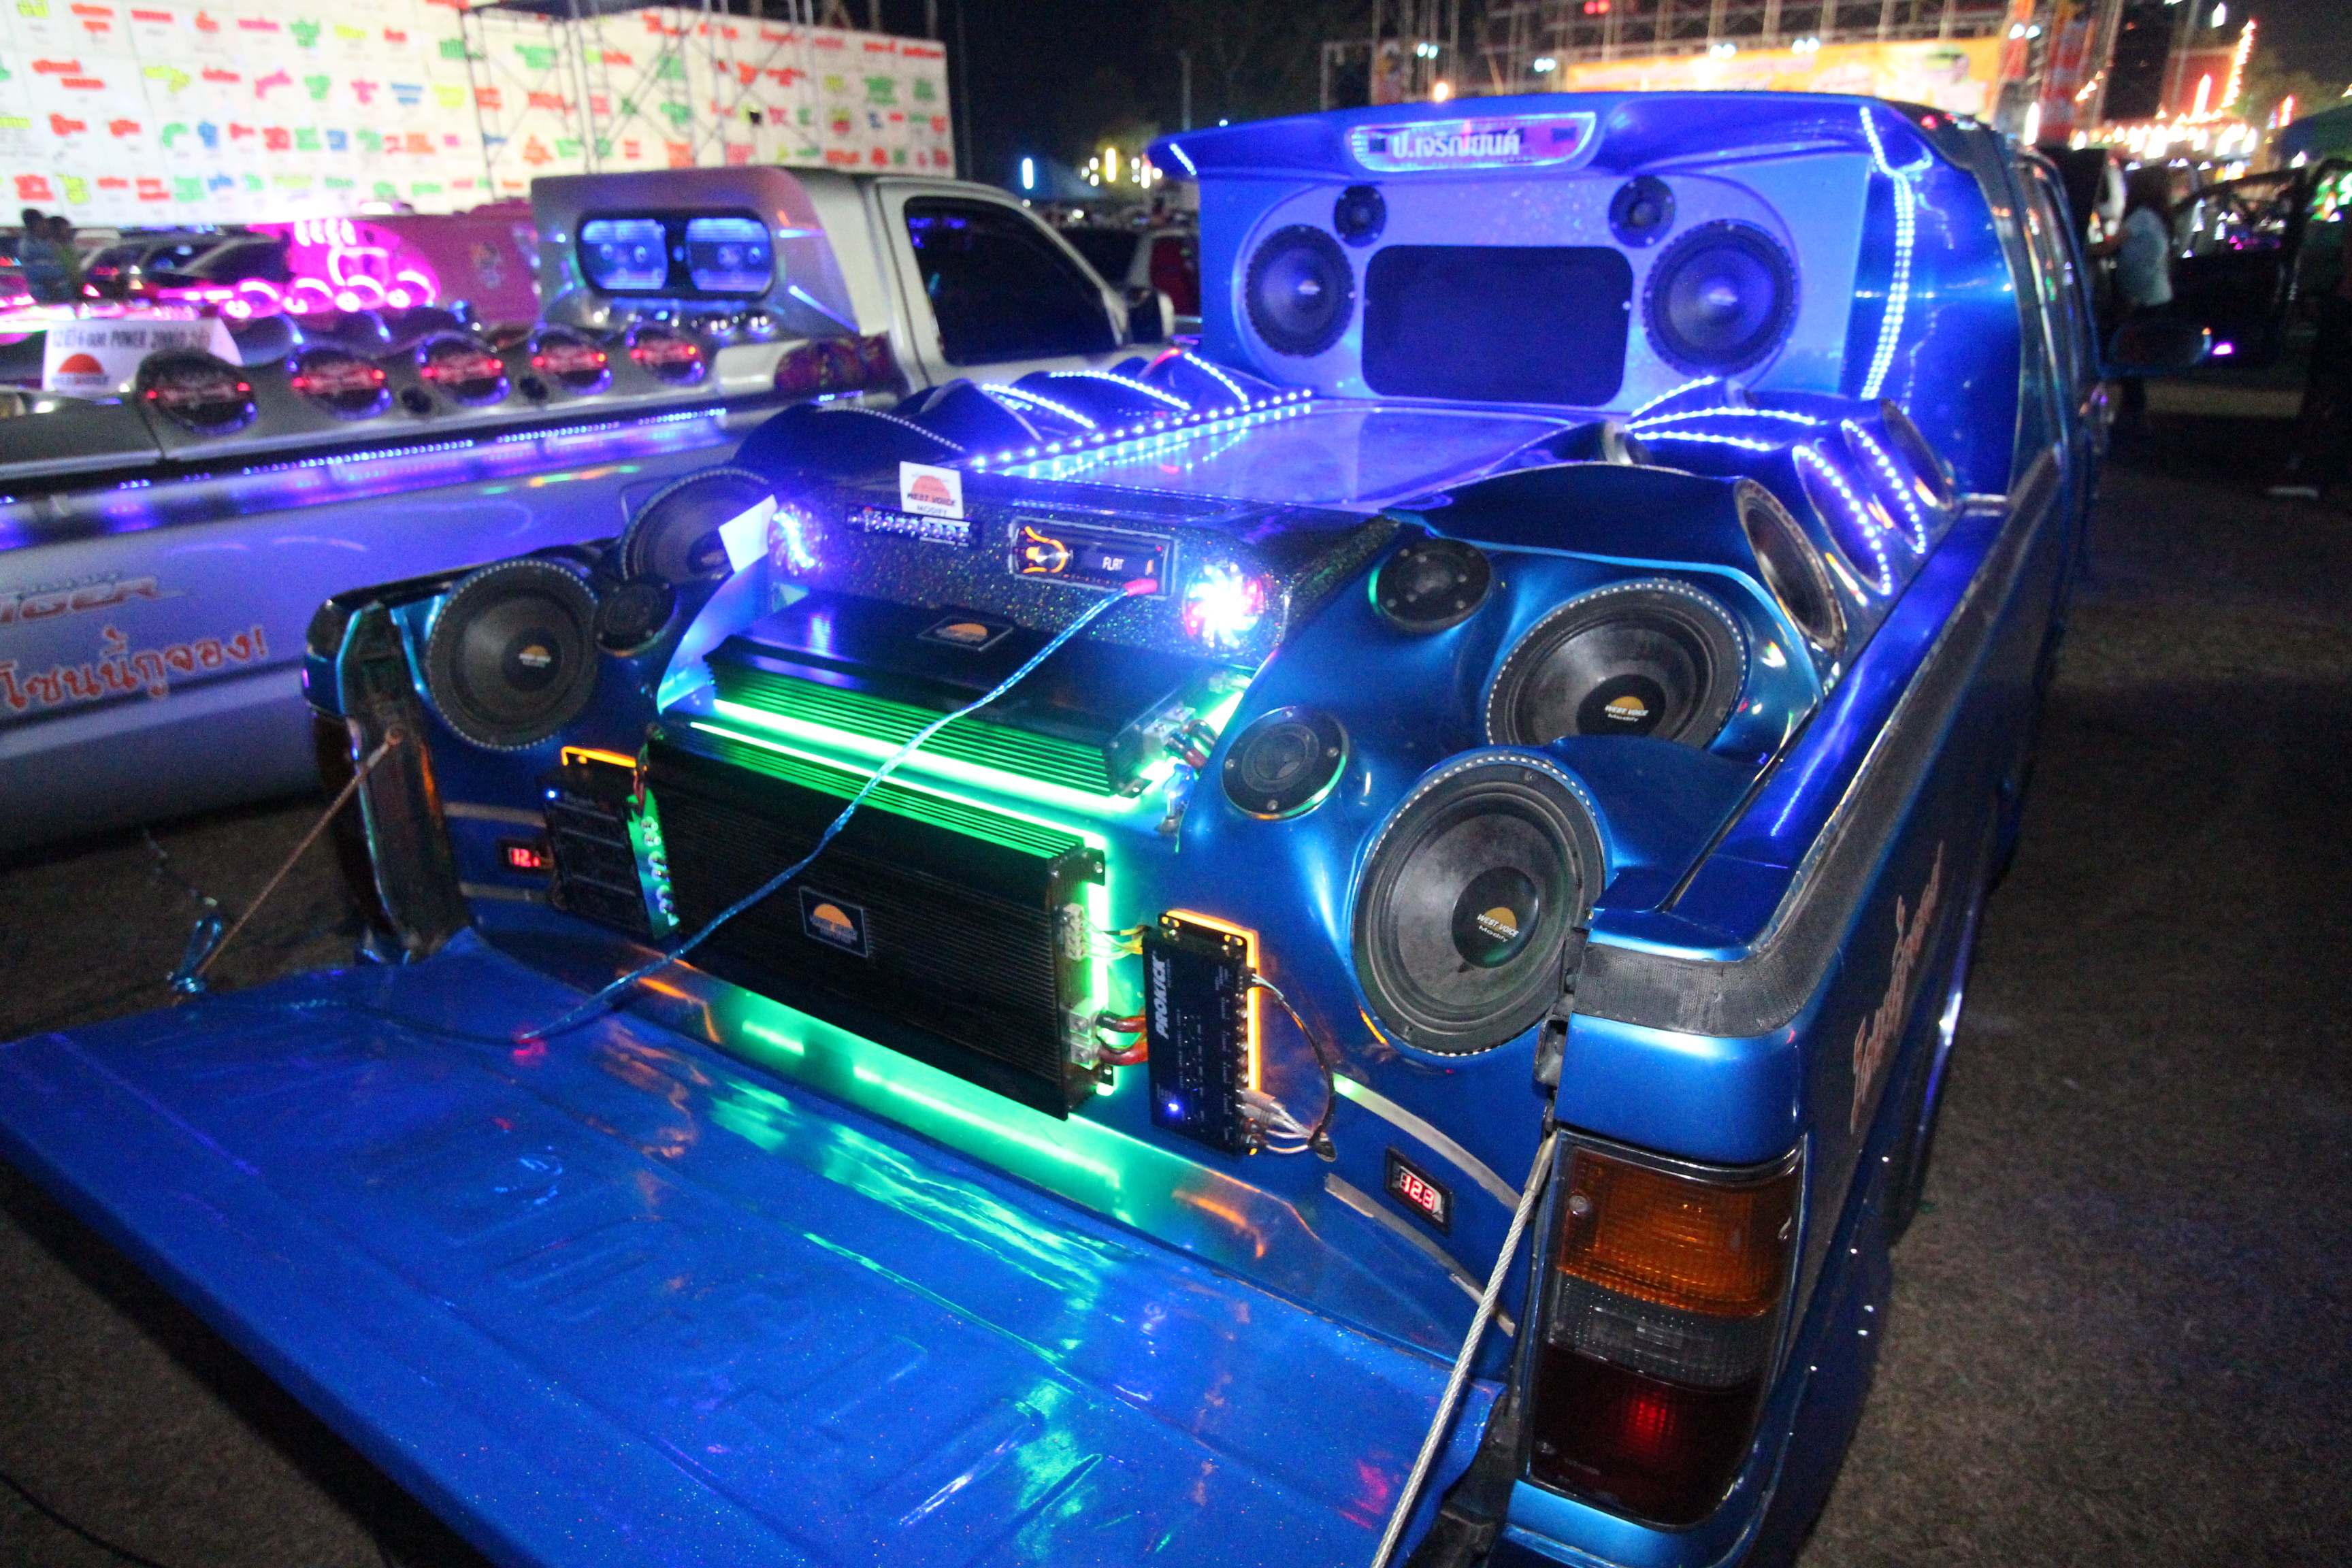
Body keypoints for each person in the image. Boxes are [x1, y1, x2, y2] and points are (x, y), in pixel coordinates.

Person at [2109, 167, 2176, 419]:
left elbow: (2108, 247)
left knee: (2128, 352)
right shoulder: (2156, 217)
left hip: (2143, 296)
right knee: (2135, 352)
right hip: (2155, 294)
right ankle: (2134, 408)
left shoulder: (2142, 217)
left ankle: (2133, 410)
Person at [15, 207, 78, 306]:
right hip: (47, 294)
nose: (46, 226)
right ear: (35, 225)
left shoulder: (47, 242)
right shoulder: (29, 245)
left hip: (63, 292)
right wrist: (52, 287)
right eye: (42, 223)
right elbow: (38, 271)